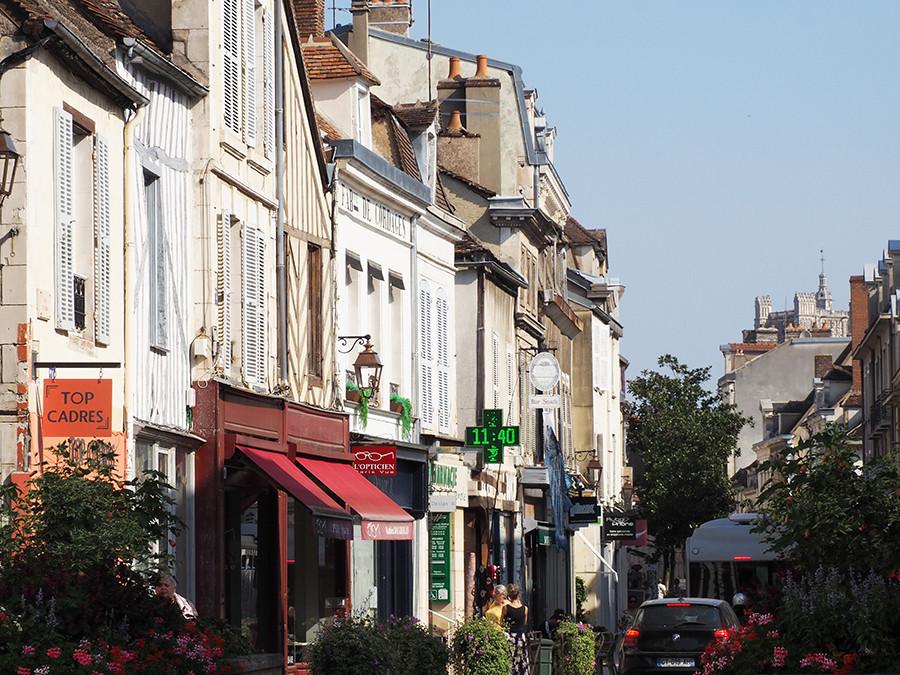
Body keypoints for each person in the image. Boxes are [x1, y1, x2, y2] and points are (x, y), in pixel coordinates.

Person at [505, 584, 530, 675]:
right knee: (522, 660)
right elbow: (525, 622)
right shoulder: (525, 609)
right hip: (521, 636)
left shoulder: (506, 608)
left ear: (509, 595)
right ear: (518, 594)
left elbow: (503, 622)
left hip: (510, 636)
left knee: (511, 660)